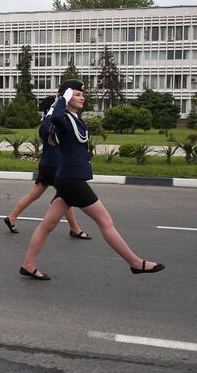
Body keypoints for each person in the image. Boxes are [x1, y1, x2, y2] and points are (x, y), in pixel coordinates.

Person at [20, 80, 165, 280]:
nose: (82, 97)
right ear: (67, 96)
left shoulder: (73, 118)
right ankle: (135, 263)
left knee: (48, 224)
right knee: (105, 220)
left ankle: (28, 264)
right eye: (77, 94)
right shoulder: (60, 118)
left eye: (82, 94)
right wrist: (62, 98)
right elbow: (53, 121)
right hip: (72, 180)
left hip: (68, 177)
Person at [4, 96, 90, 239]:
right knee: (66, 197)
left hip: (48, 164)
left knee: (35, 195)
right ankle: (75, 229)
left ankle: (12, 217)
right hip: (55, 166)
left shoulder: (50, 121)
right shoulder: (51, 123)